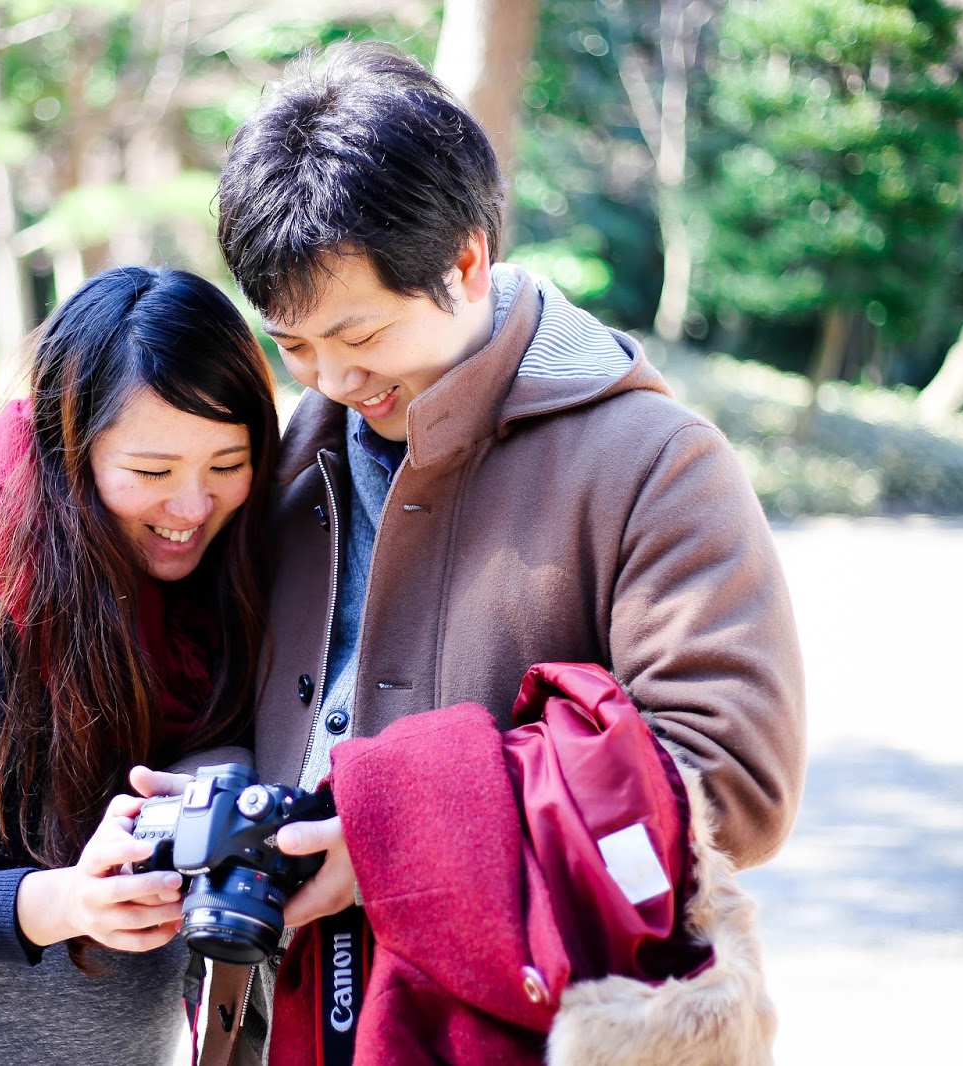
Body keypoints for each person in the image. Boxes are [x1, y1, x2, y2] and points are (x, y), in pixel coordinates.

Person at [206, 42, 806, 1060]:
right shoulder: (288, 457)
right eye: (293, 345)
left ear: (465, 262)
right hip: (279, 1022)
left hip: (521, 1026)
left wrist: (401, 838)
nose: (332, 380)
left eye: (360, 337)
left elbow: (733, 778)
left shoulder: (654, 461)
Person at [0, 266, 280, 1066]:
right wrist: (69, 900)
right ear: (70, 446)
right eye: (151, 472)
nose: (191, 506)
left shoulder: (223, 588)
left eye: (227, 464)